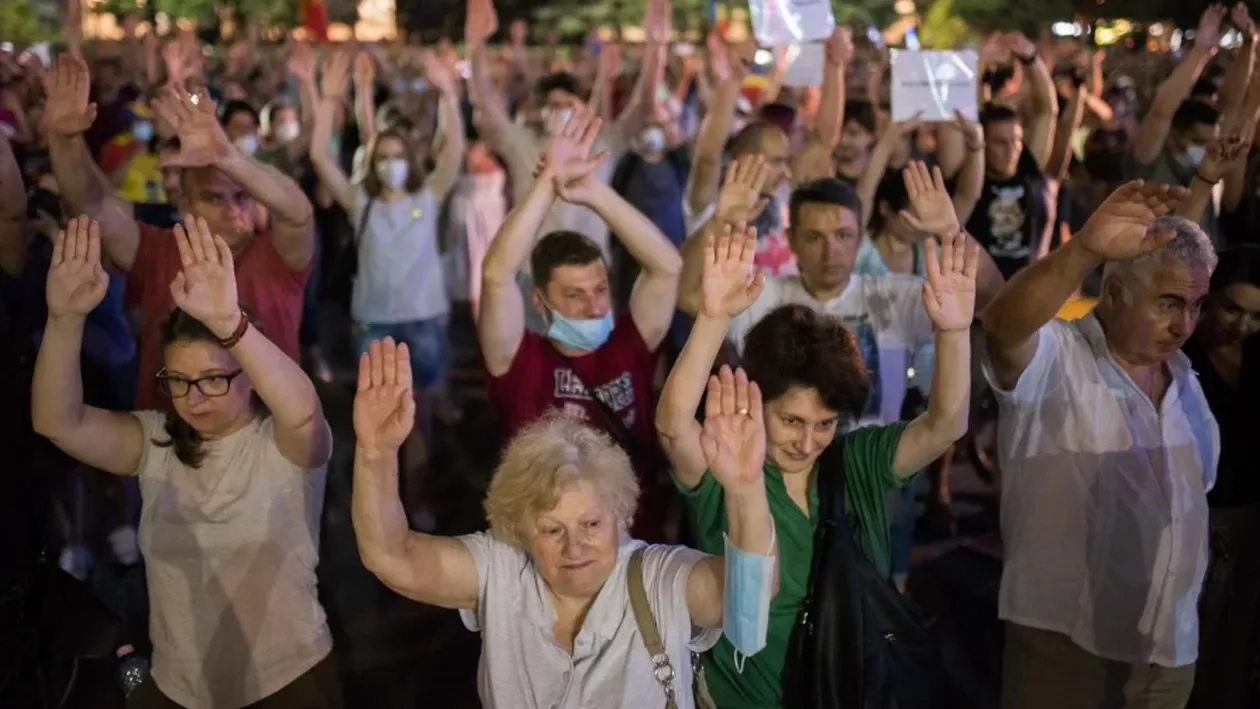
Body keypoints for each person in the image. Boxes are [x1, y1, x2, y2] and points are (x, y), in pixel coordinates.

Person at [656, 215, 979, 707]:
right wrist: (712, 317)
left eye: (824, 424)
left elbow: (945, 425)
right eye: (791, 421)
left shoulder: (855, 463)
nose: (807, 442)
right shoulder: (728, 465)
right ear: (754, 400)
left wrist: (953, 333)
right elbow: (673, 424)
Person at [351, 337, 776, 709]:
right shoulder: (501, 569)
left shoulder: (657, 579)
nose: (575, 547)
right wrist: (375, 453)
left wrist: (745, 488)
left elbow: (747, 600)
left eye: (591, 524)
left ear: (621, 515)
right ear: (519, 528)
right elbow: (391, 555)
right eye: (552, 530)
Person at [31, 216, 338, 708]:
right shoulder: (157, 441)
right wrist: (64, 321)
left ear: (251, 374)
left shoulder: (280, 443)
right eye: (178, 380)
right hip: (176, 691)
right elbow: (57, 422)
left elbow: (303, 413)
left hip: (287, 684)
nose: (194, 398)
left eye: (214, 378)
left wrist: (229, 324)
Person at [981, 182, 1219, 709]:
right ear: (1113, 294)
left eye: (1197, 305)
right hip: (1065, 645)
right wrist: (1084, 249)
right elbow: (1001, 328)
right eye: (1170, 303)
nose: (1185, 325)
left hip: (1169, 650)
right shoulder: (1057, 360)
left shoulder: (1187, 384)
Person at [43, 54, 316, 411]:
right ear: (184, 207)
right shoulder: (160, 251)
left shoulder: (276, 257)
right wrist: (64, 141)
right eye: (213, 198)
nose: (231, 209)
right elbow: (93, 206)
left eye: (241, 197)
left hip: (267, 443)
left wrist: (227, 156)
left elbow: (299, 213)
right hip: (173, 446)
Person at [478, 105, 681, 541]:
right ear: (539, 300)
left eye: (601, 290)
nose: (594, 307)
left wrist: (593, 193)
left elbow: (667, 269)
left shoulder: (627, 345)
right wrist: (547, 186)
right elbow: (496, 274)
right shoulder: (520, 360)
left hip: (633, 544)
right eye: (574, 295)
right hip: (547, 549)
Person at [308, 48, 464, 524]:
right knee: (382, 418)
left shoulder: (428, 195)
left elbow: (453, 148)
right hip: (376, 324)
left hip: (425, 321)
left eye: (400, 156)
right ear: (372, 162)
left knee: (424, 415)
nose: (393, 164)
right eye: (384, 157)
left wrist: (448, 94)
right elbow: (319, 156)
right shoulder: (361, 202)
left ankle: (415, 497)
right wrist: (331, 97)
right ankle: (385, 502)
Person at [1182, 246, 1260, 709]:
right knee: (1192, 641)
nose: (1241, 325)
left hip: (1250, 518)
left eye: (1255, 315)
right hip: (1195, 521)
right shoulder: (1181, 353)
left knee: (1237, 639)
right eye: (1232, 308)